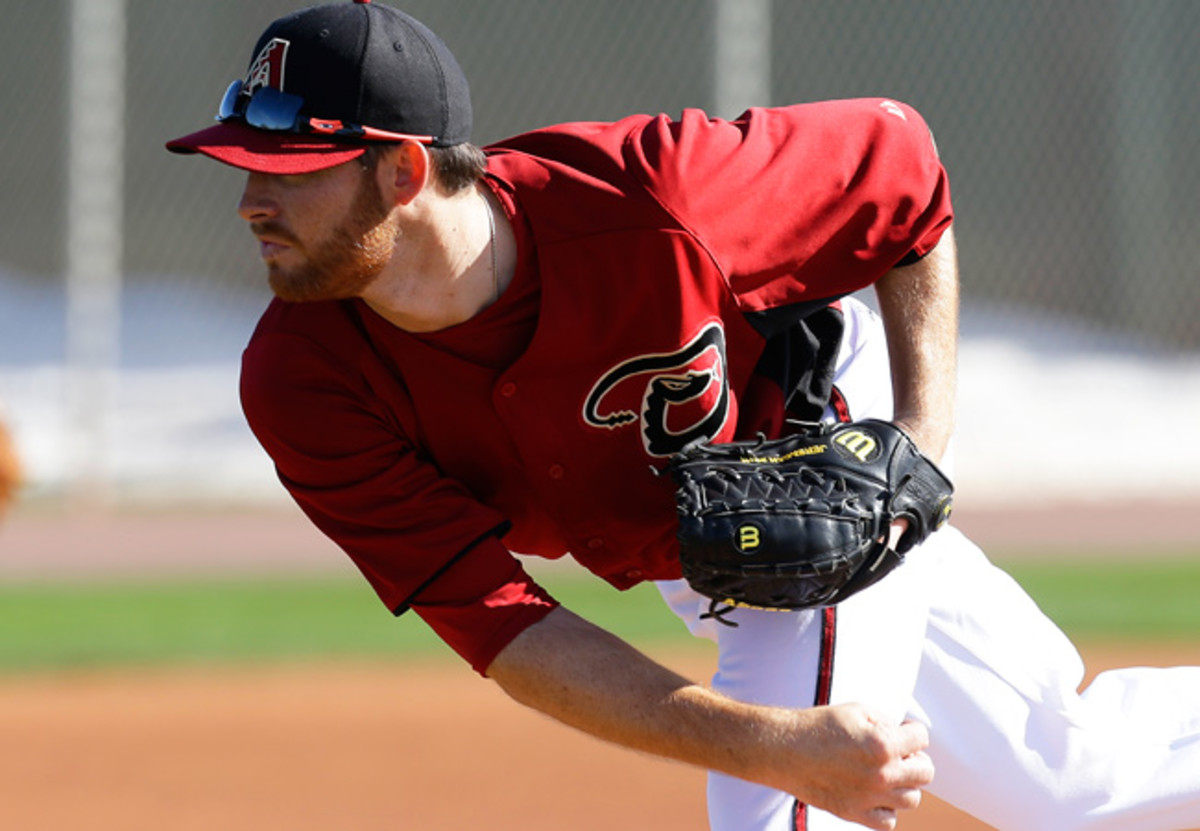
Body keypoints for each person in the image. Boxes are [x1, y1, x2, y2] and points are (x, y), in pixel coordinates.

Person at [167, 2, 1200, 829]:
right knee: (1073, 782)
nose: (251, 199)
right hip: (702, 542)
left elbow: (902, 167)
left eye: (286, 170)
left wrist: (922, 443)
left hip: (815, 447)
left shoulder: (653, 195)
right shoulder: (303, 382)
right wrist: (765, 739)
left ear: (403, 171)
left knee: (784, 810)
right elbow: (506, 628)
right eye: (245, 165)